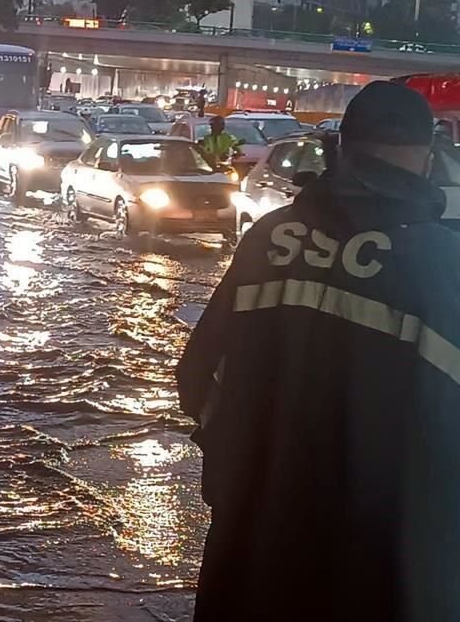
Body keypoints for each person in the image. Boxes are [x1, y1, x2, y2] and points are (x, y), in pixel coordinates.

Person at [177, 80, 460, 621]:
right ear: (426, 161)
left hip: (252, 553)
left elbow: (196, 378)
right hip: (385, 573)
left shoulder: (269, 238)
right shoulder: (446, 268)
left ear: (340, 149)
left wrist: (244, 471)